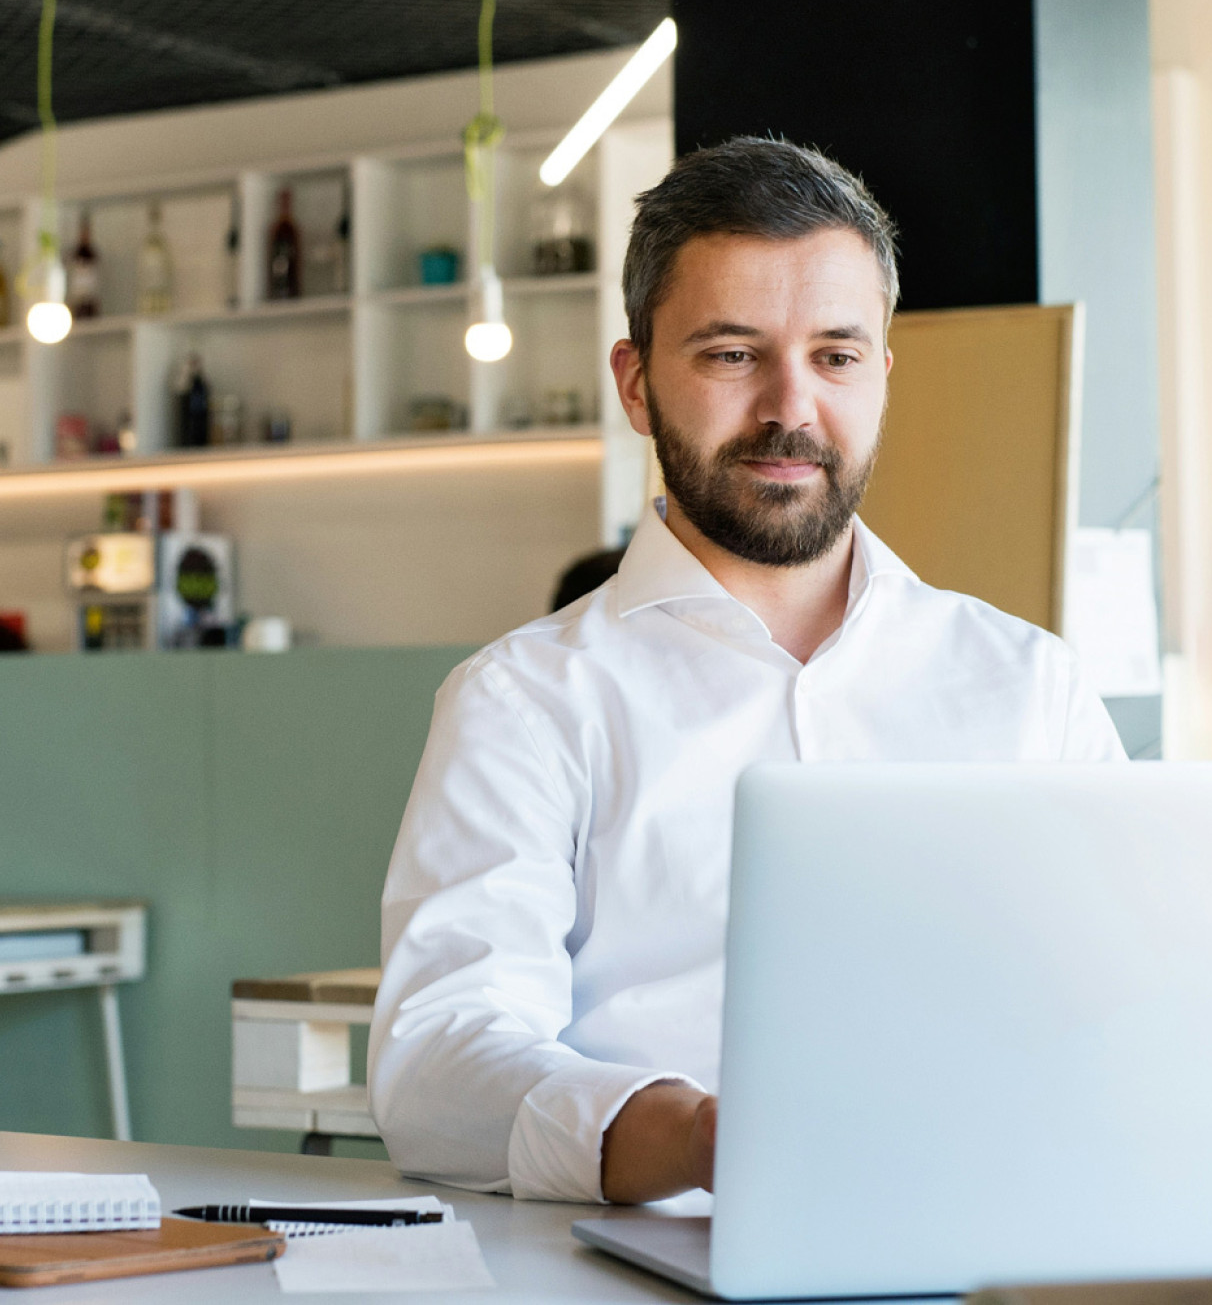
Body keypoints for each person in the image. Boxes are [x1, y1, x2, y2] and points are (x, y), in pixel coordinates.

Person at [370, 137, 1123, 1206]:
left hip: (988, 1238)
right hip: (653, 1256)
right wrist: (696, 1137)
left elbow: (1124, 999)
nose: (790, 407)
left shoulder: (1030, 687)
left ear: (881, 376)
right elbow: (439, 1072)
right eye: (732, 354)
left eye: (835, 356)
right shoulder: (525, 703)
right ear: (636, 384)